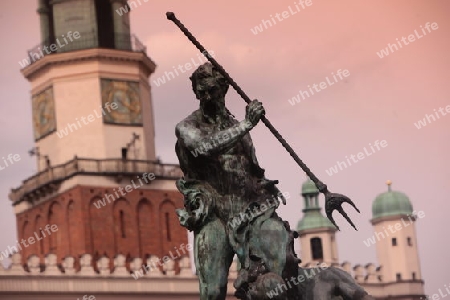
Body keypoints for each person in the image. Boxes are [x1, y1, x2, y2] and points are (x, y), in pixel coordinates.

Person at [175, 63, 299, 300]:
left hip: (249, 210)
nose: (206, 96)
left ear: (224, 88)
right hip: (214, 213)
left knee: (281, 264)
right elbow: (203, 148)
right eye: (201, 91)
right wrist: (247, 124)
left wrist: (264, 184)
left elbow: (247, 167)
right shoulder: (186, 126)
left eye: (212, 89)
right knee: (212, 291)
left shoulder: (236, 126)